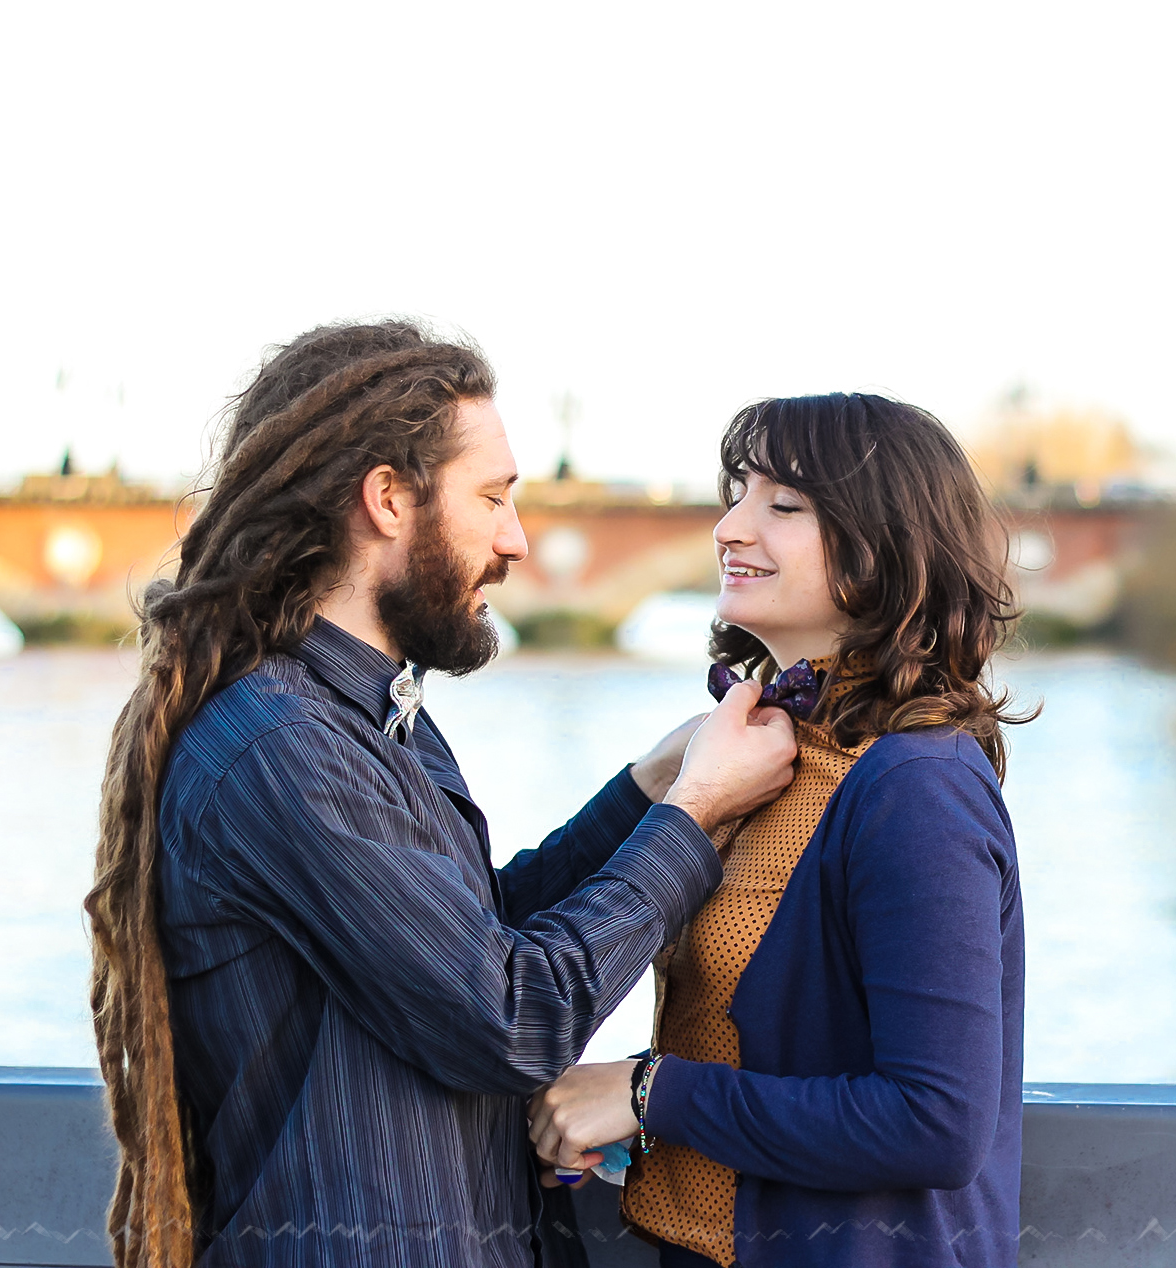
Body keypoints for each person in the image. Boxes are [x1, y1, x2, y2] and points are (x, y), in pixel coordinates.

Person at [83, 321, 799, 1268]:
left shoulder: (366, 713)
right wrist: (695, 814)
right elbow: (511, 1014)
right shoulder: (283, 745)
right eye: (493, 498)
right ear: (387, 498)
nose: (516, 538)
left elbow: (466, 939)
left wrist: (646, 789)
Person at [529, 393, 1033, 1267]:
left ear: (882, 548)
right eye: (736, 492)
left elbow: (936, 1122)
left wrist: (650, 1091)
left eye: (782, 504)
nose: (729, 525)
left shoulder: (916, 783)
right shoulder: (752, 751)